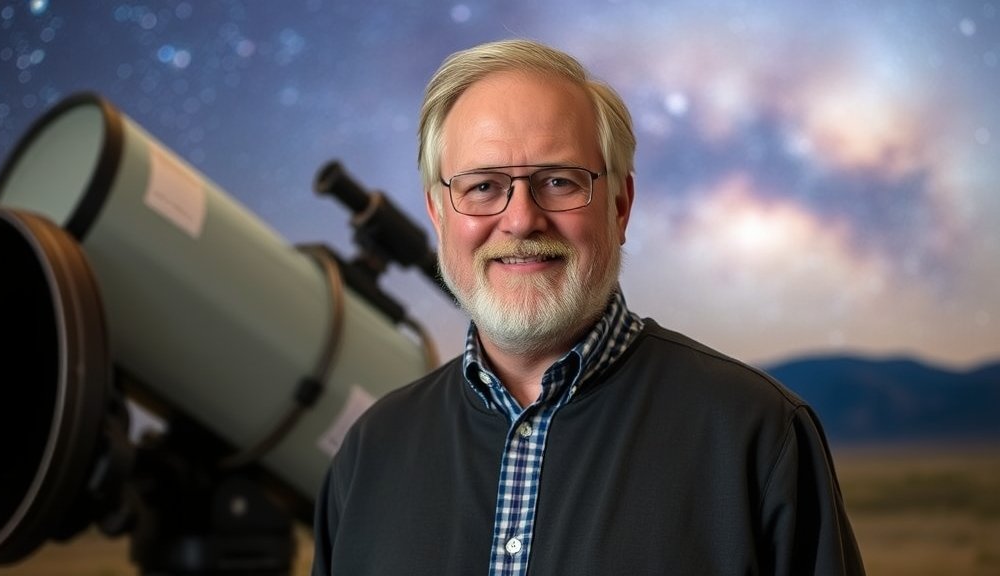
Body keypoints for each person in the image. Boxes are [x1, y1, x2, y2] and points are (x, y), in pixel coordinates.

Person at [312, 38, 865, 575]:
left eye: (558, 181)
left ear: (620, 206)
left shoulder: (759, 435)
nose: (521, 220)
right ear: (438, 215)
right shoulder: (367, 456)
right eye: (482, 187)